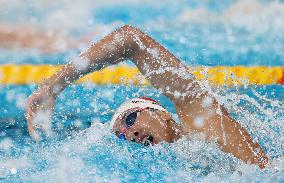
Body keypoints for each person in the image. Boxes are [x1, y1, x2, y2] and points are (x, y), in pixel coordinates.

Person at [25, 25, 269, 169]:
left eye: (130, 120)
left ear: (157, 112)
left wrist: (53, 86)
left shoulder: (201, 119)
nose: (129, 135)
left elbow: (131, 40)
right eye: (122, 136)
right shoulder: (178, 163)